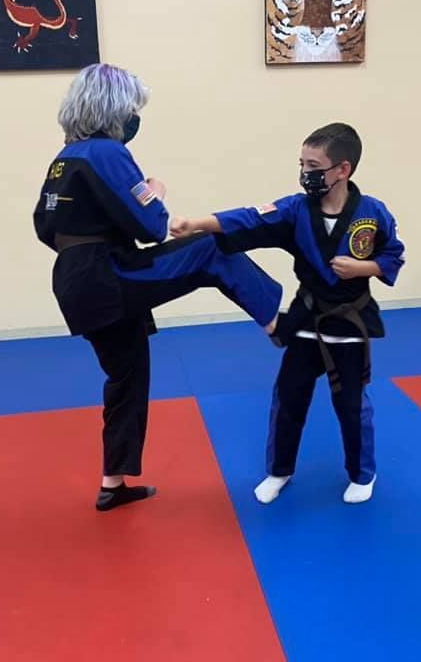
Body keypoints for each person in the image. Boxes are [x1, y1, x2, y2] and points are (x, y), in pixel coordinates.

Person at [33, 63, 282, 512]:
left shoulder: (64, 159)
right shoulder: (107, 152)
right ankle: (278, 324)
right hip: (105, 274)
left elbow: (44, 228)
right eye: (131, 108)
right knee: (210, 248)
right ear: (113, 108)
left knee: (126, 375)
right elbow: (153, 226)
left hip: (73, 279)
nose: (134, 118)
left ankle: (113, 483)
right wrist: (156, 189)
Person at [171, 123, 405, 505]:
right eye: (302, 164)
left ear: (342, 169)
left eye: (314, 166)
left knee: (351, 404)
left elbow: (393, 255)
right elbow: (249, 218)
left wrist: (364, 268)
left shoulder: (372, 212)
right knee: (289, 398)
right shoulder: (296, 210)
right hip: (308, 316)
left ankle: (363, 474)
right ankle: (279, 470)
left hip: (350, 320)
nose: (305, 173)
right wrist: (196, 223)